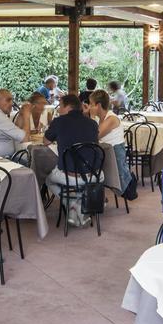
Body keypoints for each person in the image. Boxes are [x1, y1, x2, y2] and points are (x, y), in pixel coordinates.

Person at [44, 94, 99, 226]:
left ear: (68, 107)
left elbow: (45, 141)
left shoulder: (59, 122)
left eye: (60, 106)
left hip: (69, 175)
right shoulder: (92, 123)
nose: (58, 109)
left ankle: (71, 202)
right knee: (97, 175)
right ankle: (78, 201)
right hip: (94, 175)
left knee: (47, 179)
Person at [88, 90, 137, 200]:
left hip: (114, 156)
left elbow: (94, 136)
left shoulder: (111, 118)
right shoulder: (98, 118)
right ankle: (95, 196)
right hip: (103, 155)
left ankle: (93, 197)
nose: (90, 107)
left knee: (88, 167)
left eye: (91, 104)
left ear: (99, 105)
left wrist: (90, 117)